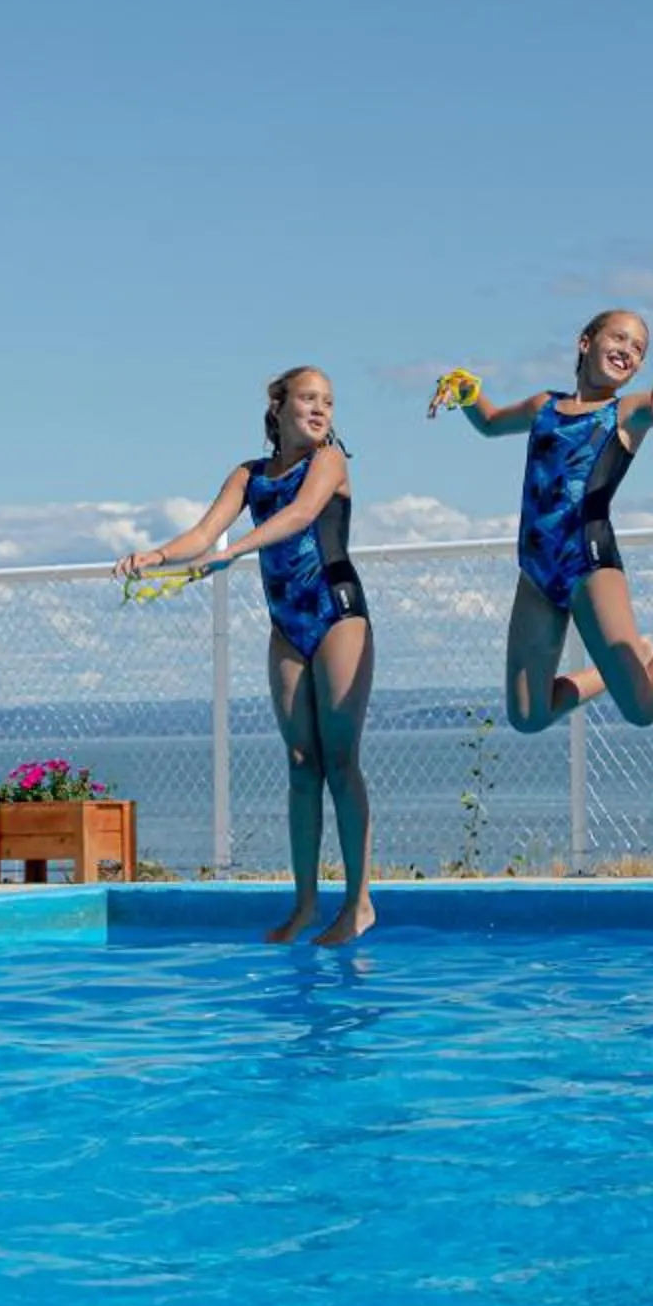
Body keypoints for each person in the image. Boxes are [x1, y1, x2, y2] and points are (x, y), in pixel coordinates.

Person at [115, 365, 376, 946]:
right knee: (302, 763)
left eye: (329, 402)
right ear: (278, 406)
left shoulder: (330, 462)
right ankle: (305, 905)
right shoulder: (249, 474)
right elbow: (203, 534)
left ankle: (358, 903)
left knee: (341, 759)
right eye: (309, 399)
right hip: (288, 626)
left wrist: (235, 553)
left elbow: (301, 516)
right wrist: (155, 556)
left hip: (338, 614)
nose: (321, 411)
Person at [431, 309, 653, 731]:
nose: (627, 351)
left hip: (590, 564)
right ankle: (642, 651)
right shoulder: (543, 406)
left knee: (643, 709)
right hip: (536, 570)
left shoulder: (629, 412)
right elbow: (491, 423)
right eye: (619, 338)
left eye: (638, 349)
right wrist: (465, 391)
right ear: (585, 342)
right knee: (528, 715)